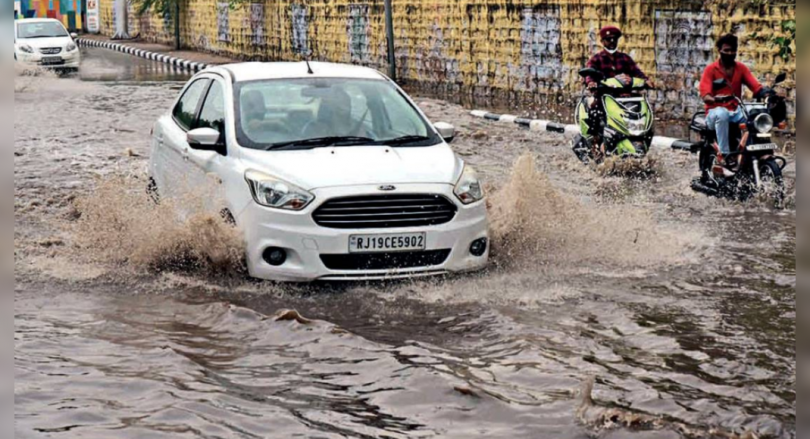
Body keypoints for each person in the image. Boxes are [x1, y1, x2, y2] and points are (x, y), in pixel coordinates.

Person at [583, 26, 655, 148]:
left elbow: (637, 72)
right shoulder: (596, 59)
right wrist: (591, 83)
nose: (612, 42)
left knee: (643, 115)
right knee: (594, 111)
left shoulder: (625, 58)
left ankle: (641, 138)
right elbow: (589, 74)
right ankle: (595, 143)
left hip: (626, 98)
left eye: (614, 39)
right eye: (608, 39)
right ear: (602, 41)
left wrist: (646, 81)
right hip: (605, 97)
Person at [699, 33, 764, 162]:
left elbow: (755, 86)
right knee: (722, 113)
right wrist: (717, 99)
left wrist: (767, 93)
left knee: (755, 114)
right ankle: (725, 154)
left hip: (735, 111)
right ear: (719, 51)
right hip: (714, 112)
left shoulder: (741, 68)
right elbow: (705, 95)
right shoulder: (710, 69)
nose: (730, 53)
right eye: (726, 50)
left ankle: (753, 150)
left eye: (733, 50)